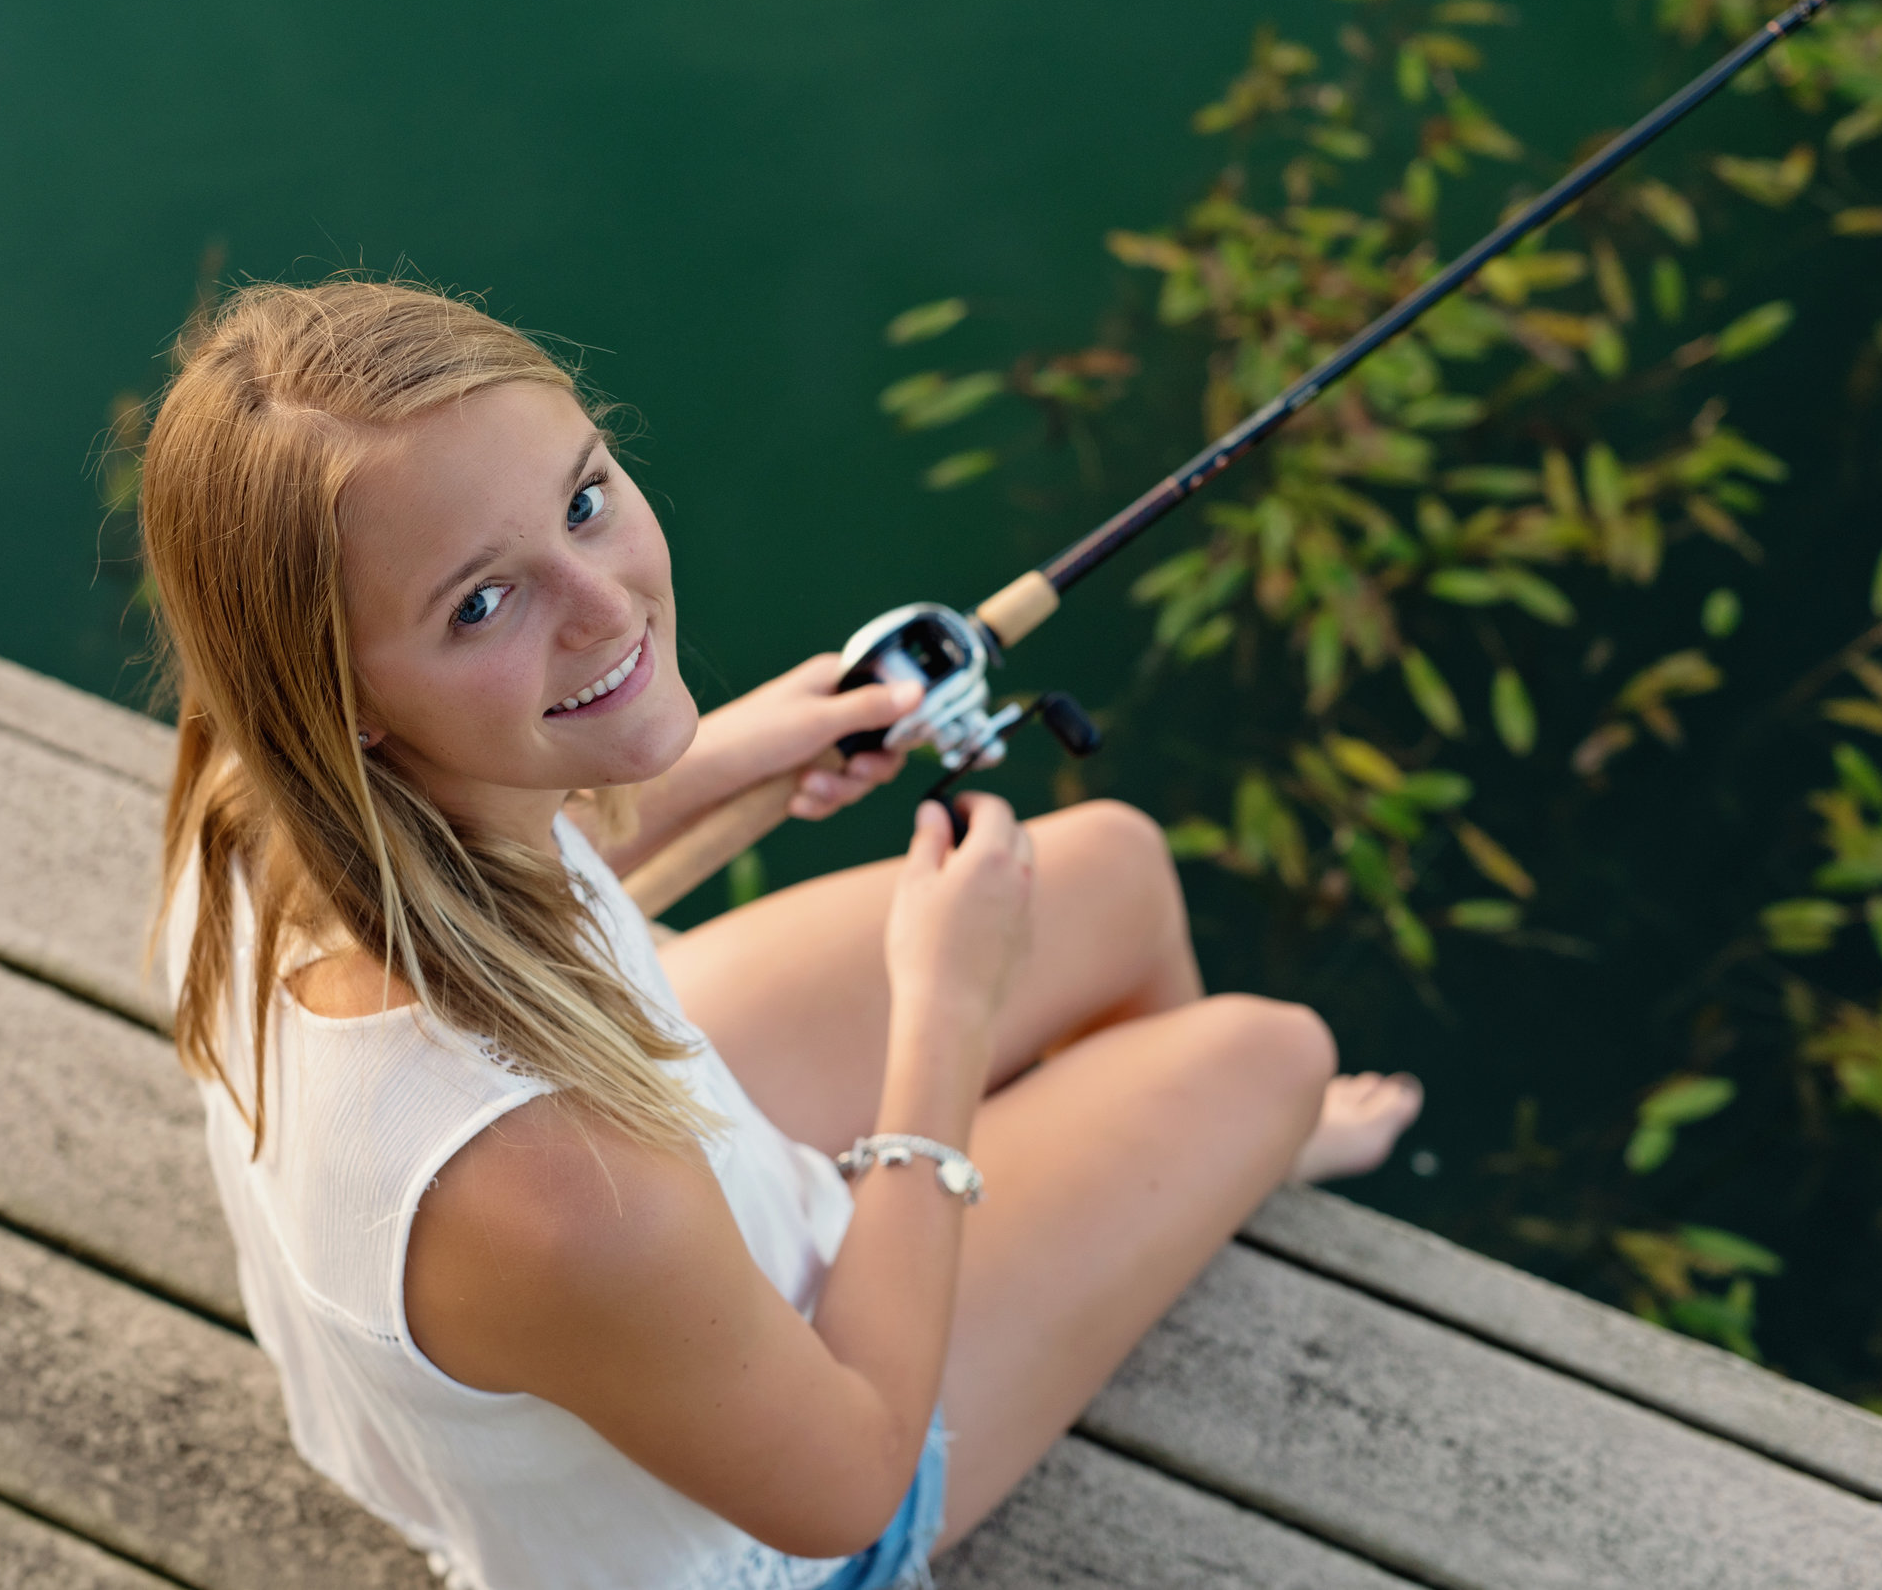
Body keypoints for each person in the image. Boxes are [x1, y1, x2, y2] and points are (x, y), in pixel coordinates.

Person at [143, 278, 1423, 1590]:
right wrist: (945, 1013)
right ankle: (1216, 1150)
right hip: (771, 1519)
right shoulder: (560, 1186)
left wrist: (735, 748)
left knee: (1111, 868)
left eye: (583, 499)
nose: (604, 605)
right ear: (334, 695)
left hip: (565, 1329)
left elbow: (493, 861)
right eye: (480, 603)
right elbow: (848, 1483)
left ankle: (1126, 1165)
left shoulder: (247, 805)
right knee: (1269, 1051)